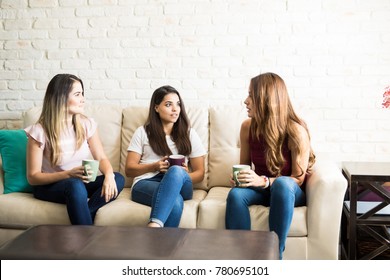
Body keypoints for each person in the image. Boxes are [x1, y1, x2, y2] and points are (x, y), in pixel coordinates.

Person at [225, 72, 316, 259]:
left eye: (251, 95)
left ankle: (274, 257)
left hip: (287, 191)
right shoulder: (247, 127)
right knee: (235, 195)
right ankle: (242, 259)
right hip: (261, 187)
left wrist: (264, 181)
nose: (245, 101)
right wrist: (241, 180)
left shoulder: (296, 131)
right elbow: (244, 166)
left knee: (282, 184)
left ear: (266, 99)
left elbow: (297, 179)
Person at [25, 74, 124, 225]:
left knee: (118, 178)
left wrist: (109, 175)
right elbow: (33, 177)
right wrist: (67, 174)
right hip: (49, 187)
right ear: (61, 97)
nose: (82, 99)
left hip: (78, 183)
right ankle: (86, 237)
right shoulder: (39, 131)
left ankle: (85, 217)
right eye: (77, 94)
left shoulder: (86, 124)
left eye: (82, 94)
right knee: (74, 184)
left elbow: (101, 158)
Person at [125, 85, 206, 228]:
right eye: (168, 104)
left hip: (180, 183)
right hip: (146, 182)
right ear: (156, 108)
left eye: (178, 104)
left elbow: (200, 174)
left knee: (175, 171)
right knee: (174, 201)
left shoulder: (190, 134)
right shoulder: (143, 132)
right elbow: (129, 170)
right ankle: (161, 243)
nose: (175, 109)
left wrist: (182, 175)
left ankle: (154, 225)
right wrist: (154, 166)